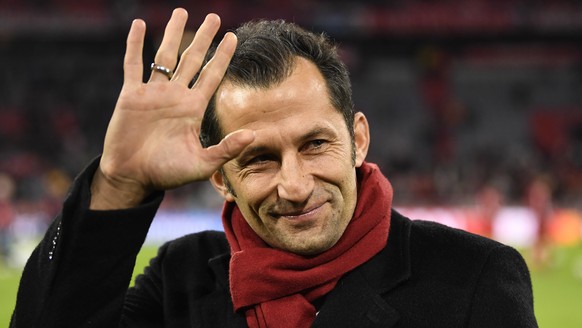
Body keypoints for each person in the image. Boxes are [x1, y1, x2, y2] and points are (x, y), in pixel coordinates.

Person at [11, 8, 538, 328]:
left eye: (314, 145)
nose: (295, 186)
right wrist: (119, 185)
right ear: (219, 176)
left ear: (358, 139)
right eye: (259, 158)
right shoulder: (182, 279)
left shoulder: (473, 279)